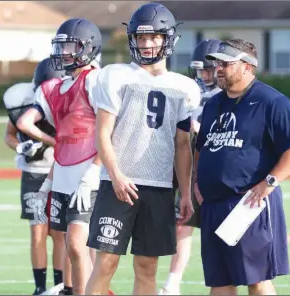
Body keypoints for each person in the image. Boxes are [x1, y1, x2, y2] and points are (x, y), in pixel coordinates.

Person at [85, 2, 200, 295]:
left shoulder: (185, 87)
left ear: (168, 39)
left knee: (148, 267)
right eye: (141, 37)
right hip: (118, 185)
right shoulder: (114, 75)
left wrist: (185, 192)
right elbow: (102, 133)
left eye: (155, 37)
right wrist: (116, 175)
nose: (147, 44)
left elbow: (182, 145)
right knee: (106, 263)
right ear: (132, 39)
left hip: (160, 188)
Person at [194, 39, 290, 296]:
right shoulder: (214, 104)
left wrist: (269, 182)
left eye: (226, 64)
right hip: (213, 204)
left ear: (247, 67)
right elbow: (200, 147)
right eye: (217, 64)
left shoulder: (271, 101)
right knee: (220, 282)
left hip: (247, 204)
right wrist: (196, 182)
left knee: (256, 280)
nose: (219, 69)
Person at [16, 18, 107, 295]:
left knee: (79, 245)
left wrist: (95, 170)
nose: (64, 52)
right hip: (63, 176)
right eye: (61, 45)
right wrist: (48, 182)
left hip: (87, 176)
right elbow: (31, 125)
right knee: (70, 245)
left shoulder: (95, 81)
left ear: (88, 48)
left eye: (70, 45)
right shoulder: (55, 89)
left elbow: (110, 132)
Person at [159, 39, 222, 295]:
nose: (204, 76)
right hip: (187, 162)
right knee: (182, 223)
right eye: (200, 71)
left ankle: (222, 279)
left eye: (208, 70)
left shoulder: (226, 95)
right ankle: (173, 282)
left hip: (215, 165)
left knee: (216, 226)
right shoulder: (190, 91)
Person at [3, 58, 66, 295]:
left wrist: (52, 142)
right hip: (34, 172)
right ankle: (40, 288)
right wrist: (20, 147)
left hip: (61, 171)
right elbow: (10, 135)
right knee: (38, 231)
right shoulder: (22, 100)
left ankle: (61, 285)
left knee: (60, 232)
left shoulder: (71, 99)